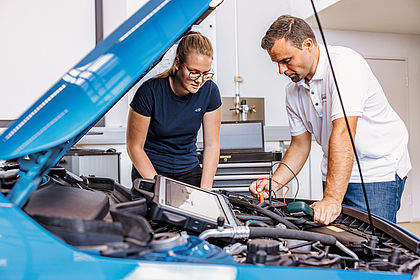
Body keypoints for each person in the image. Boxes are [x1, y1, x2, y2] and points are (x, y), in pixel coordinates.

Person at [249, 15, 411, 224]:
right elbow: (299, 145)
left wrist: (332, 199)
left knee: (372, 245)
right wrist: (275, 182)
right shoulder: (293, 91)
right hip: (336, 168)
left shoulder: (344, 65)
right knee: (337, 240)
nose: (281, 70)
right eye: (277, 63)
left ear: (308, 45)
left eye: (286, 60)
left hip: (376, 170)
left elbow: (344, 133)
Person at [127, 31, 221, 190]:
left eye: (205, 74)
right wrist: (158, 187)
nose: (199, 80)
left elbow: (212, 145)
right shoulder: (149, 92)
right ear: (177, 63)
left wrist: (205, 190)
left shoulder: (210, 91)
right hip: (151, 171)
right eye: (193, 72)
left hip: (189, 172)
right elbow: (134, 147)